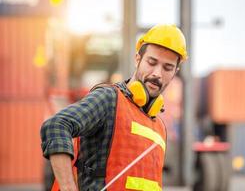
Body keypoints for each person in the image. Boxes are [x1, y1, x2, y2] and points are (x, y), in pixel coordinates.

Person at [40, 24, 188, 191]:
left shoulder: (160, 128)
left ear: (175, 71)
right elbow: (56, 125)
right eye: (151, 62)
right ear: (137, 59)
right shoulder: (109, 99)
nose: (157, 73)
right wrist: (68, 187)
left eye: (167, 68)